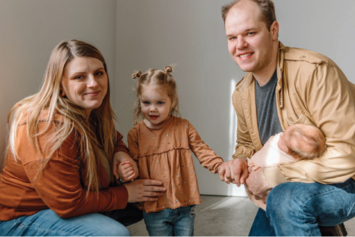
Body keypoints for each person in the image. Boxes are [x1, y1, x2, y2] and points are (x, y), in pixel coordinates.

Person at [0, 40, 166, 236]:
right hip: (23, 218)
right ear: (60, 86)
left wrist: (120, 153)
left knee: (156, 193)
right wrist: (127, 193)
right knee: (114, 234)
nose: (93, 83)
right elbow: (68, 204)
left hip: (60, 207)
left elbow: (114, 138)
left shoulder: (89, 111)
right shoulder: (48, 128)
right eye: (79, 77)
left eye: (98, 73)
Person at [217, 0, 355, 235]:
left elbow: (347, 155)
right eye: (232, 37)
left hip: (345, 181)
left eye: (250, 33)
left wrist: (272, 176)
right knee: (283, 199)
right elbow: (247, 145)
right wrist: (240, 161)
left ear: (273, 30)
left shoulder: (315, 71)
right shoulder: (241, 93)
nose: (240, 45)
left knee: (285, 199)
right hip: (289, 188)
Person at [125, 66, 225, 236]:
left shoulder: (183, 127)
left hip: (184, 204)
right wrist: (127, 173)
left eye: (160, 103)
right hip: (154, 207)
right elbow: (133, 167)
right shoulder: (136, 134)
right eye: (146, 102)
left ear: (172, 101)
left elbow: (202, 150)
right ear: (139, 101)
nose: (153, 109)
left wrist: (220, 166)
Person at [246, 124, 326, 210]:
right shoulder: (286, 138)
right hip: (251, 173)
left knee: (273, 204)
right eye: (284, 133)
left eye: (283, 142)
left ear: (295, 156)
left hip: (263, 182)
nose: (280, 136)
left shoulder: (285, 159)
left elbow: (266, 164)